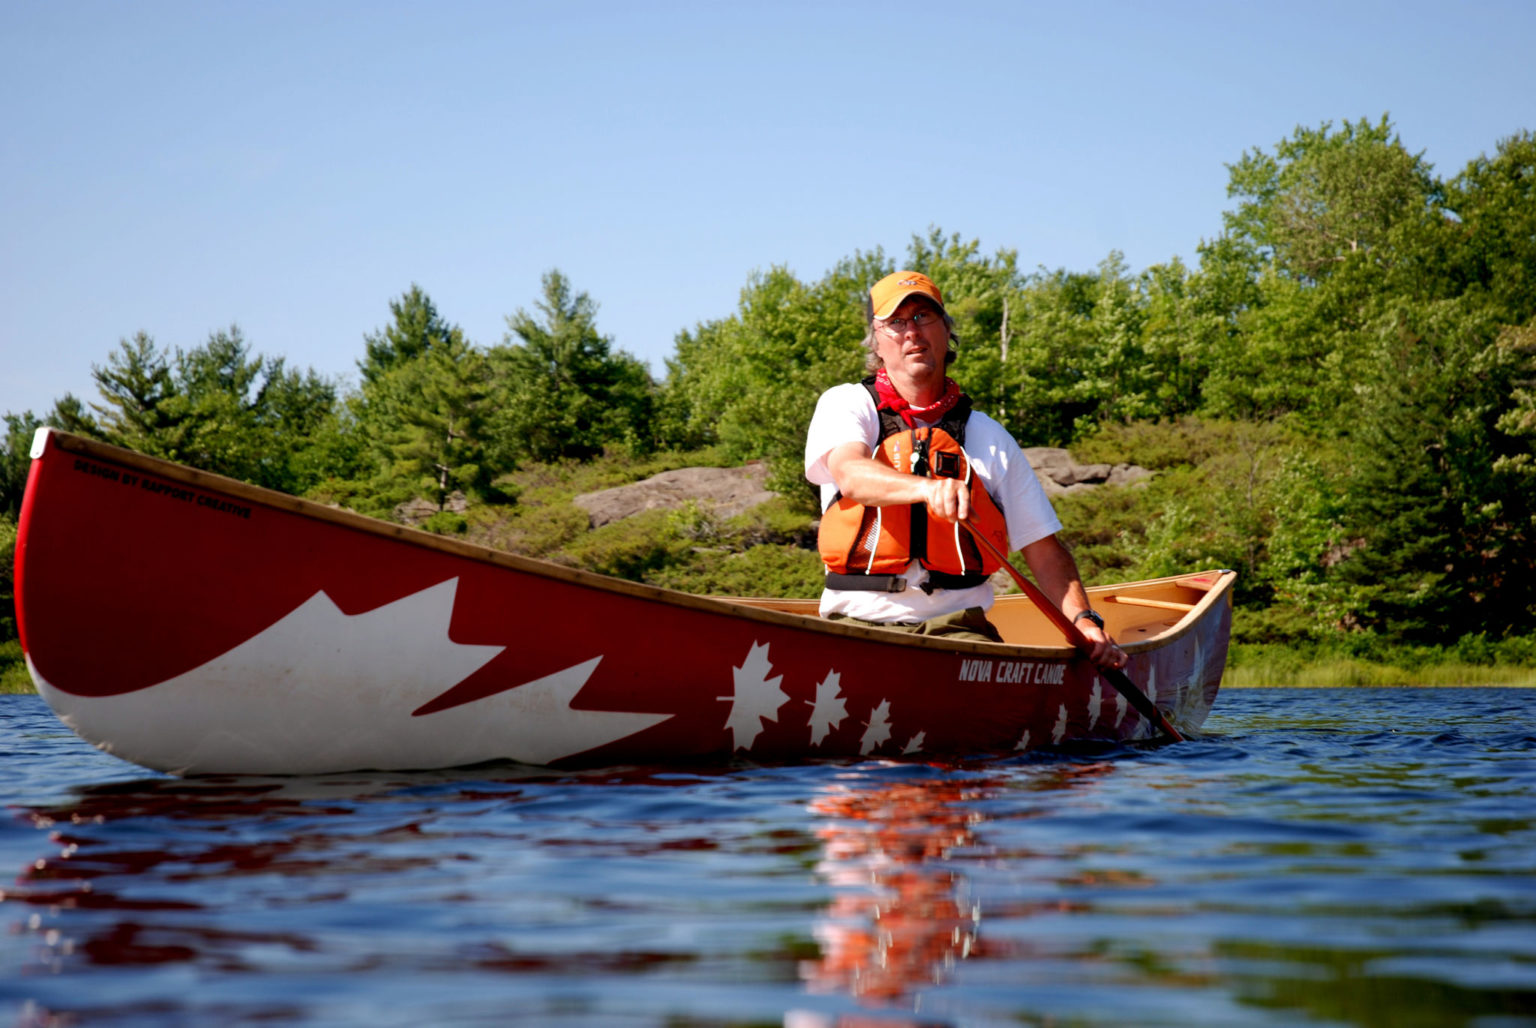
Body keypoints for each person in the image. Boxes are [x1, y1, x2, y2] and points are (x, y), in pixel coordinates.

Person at [804, 270, 1126, 669]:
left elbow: (1044, 550)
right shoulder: (848, 405)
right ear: (877, 341)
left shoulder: (988, 436)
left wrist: (1084, 620)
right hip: (858, 624)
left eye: (924, 317)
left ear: (946, 332)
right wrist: (926, 489)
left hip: (957, 630)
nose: (912, 332)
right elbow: (850, 472)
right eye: (896, 323)